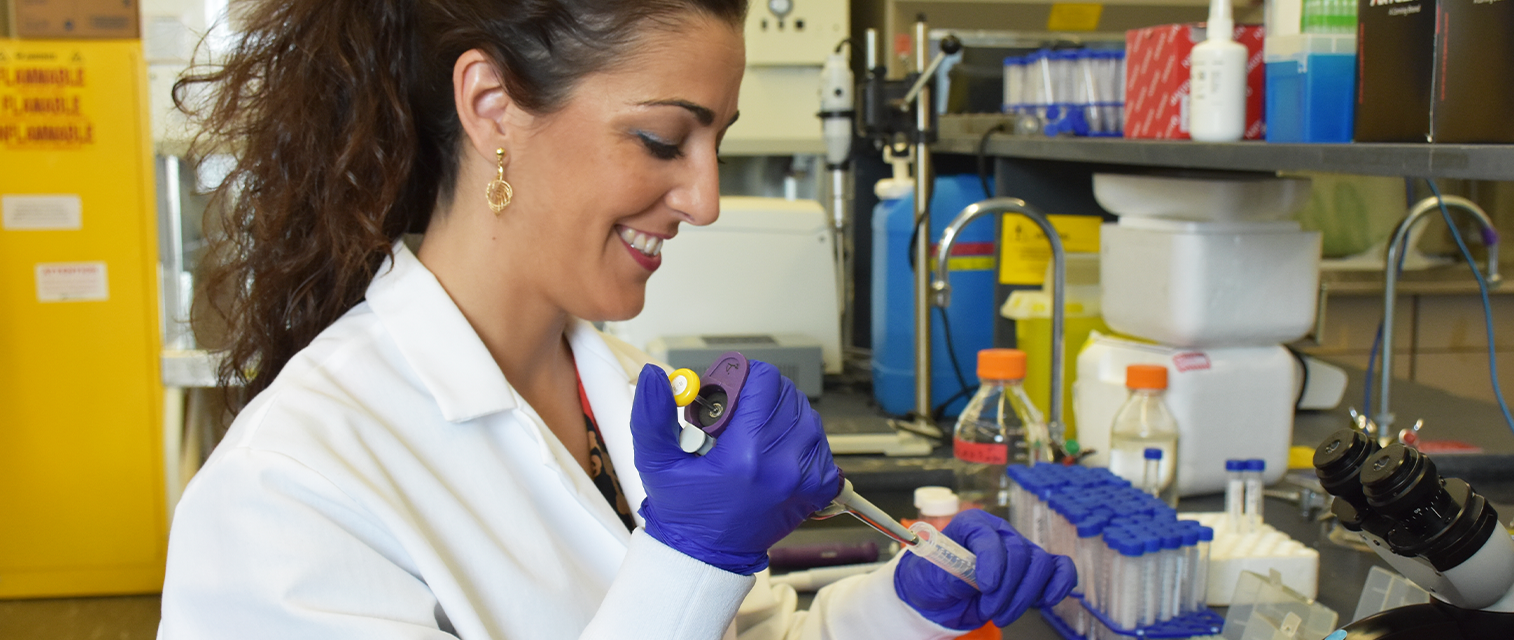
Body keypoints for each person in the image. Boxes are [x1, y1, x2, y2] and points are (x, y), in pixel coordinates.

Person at [157, 1, 1075, 638]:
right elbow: (680, 598)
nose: (706, 197)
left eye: (719, 140)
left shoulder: (631, 393)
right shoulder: (290, 488)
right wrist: (693, 559)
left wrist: (901, 608)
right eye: (662, 140)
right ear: (491, 108)